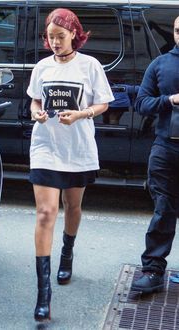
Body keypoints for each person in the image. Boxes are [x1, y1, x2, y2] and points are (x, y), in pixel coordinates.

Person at [26, 8, 114, 322]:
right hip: (46, 146)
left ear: (75, 34)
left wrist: (80, 114)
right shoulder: (41, 67)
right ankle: (43, 294)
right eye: (50, 38)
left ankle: (67, 250)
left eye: (60, 37)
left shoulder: (91, 66)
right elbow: (35, 99)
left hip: (77, 148)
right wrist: (36, 110)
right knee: (46, 211)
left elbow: (103, 103)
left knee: (72, 205)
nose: (54, 43)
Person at [132, 16, 179, 294]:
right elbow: (141, 103)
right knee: (163, 210)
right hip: (166, 147)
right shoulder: (160, 64)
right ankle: (152, 271)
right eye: (177, 31)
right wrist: (170, 100)